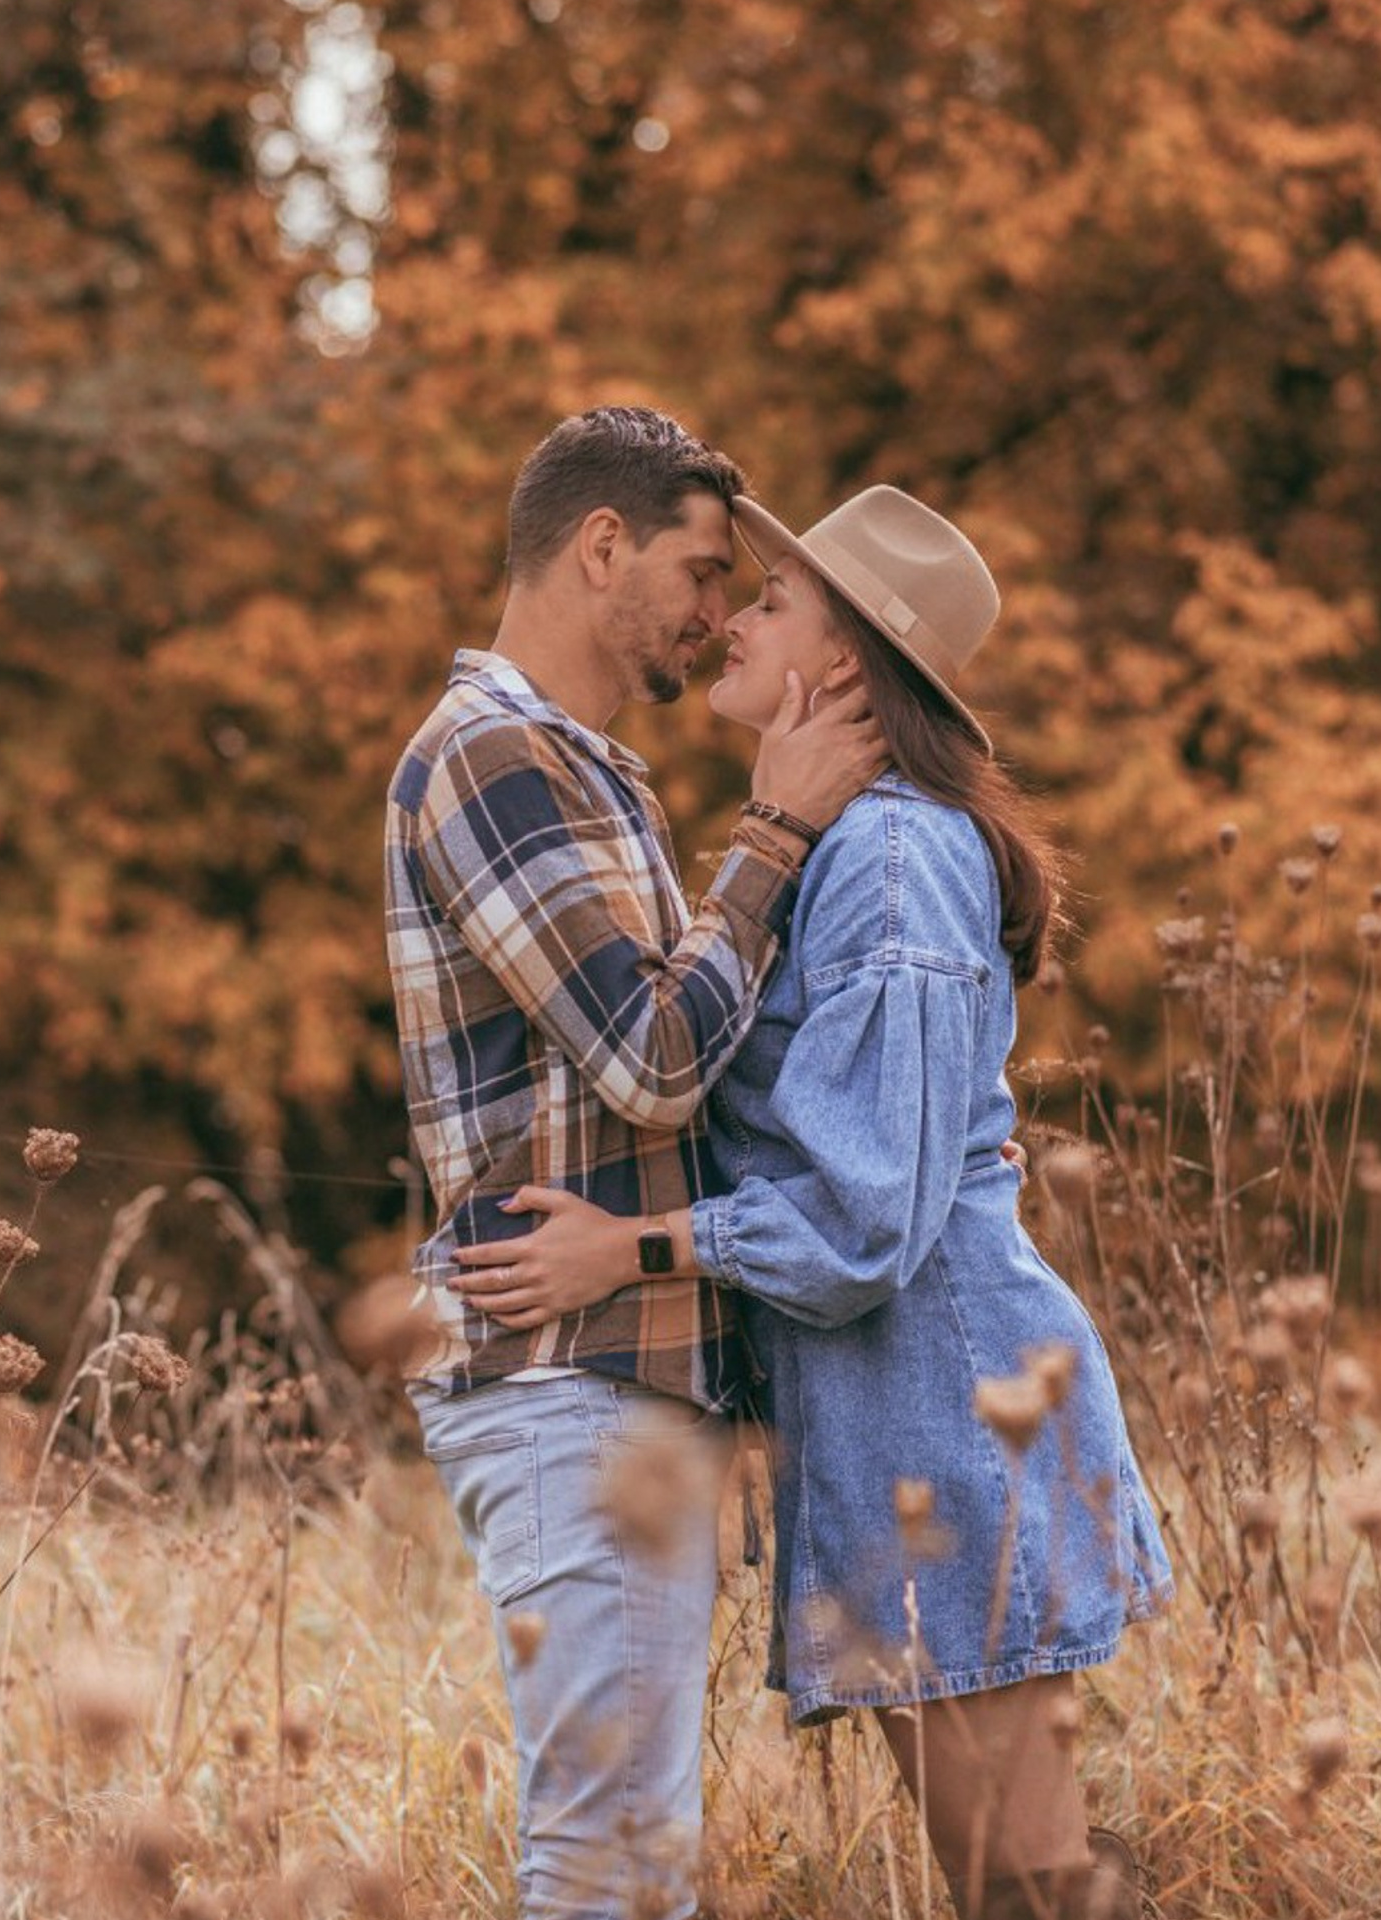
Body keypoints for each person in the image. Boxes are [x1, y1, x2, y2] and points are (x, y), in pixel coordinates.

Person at [453, 485, 1174, 1920]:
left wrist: (635, 1247)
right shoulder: (837, 850)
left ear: (843, 666)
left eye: (770, 603)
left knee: (1030, 1890)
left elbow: (866, 1220)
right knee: (1014, 1884)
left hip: (958, 1421)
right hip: (898, 1425)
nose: (729, 617)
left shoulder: (895, 859)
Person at [384, 408, 887, 1920]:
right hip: (566, 1382)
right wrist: (781, 831)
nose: (718, 611)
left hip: (627, 1375)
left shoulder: (595, 776)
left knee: (636, 1857)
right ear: (600, 547)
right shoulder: (488, 759)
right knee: (606, 1866)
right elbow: (656, 1064)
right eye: (698, 569)